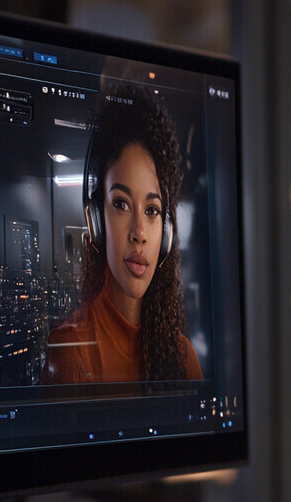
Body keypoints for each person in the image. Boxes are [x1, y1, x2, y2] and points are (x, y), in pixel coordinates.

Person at [43, 87, 202, 383]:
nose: (139, 233)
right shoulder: (70, 352)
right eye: (121, 204)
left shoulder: (184, 357)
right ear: (96, 220)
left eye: (152, 210)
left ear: (166, 234)